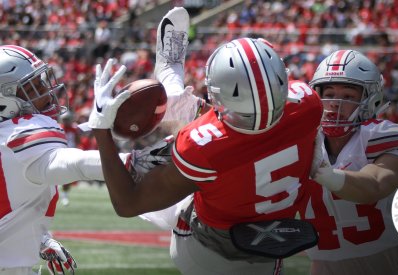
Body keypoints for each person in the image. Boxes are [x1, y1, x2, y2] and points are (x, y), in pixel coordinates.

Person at [86, 7, 323, 275]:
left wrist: (101, 130)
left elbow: (128, 204)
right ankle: (176, 98)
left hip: (208, 250)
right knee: (226, 145)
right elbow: (260, 113)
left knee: (178, 161)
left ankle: (169, 106)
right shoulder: (308, 104)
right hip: (273, 247)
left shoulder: (201, 142)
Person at [0, 45, 164, 275]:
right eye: (34, 87)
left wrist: (38, 239)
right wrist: (133, 161)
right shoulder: (17, 135)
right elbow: (71, 163)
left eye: (42, 82)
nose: (47, 93)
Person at [301, 49, 398, 275]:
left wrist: (326, 175)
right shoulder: (304, 139)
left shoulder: (381, 134)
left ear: (370, 100)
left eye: (348, 96)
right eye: (330, 94)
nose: (335, 103)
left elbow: (375, 185)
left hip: (383, 267)